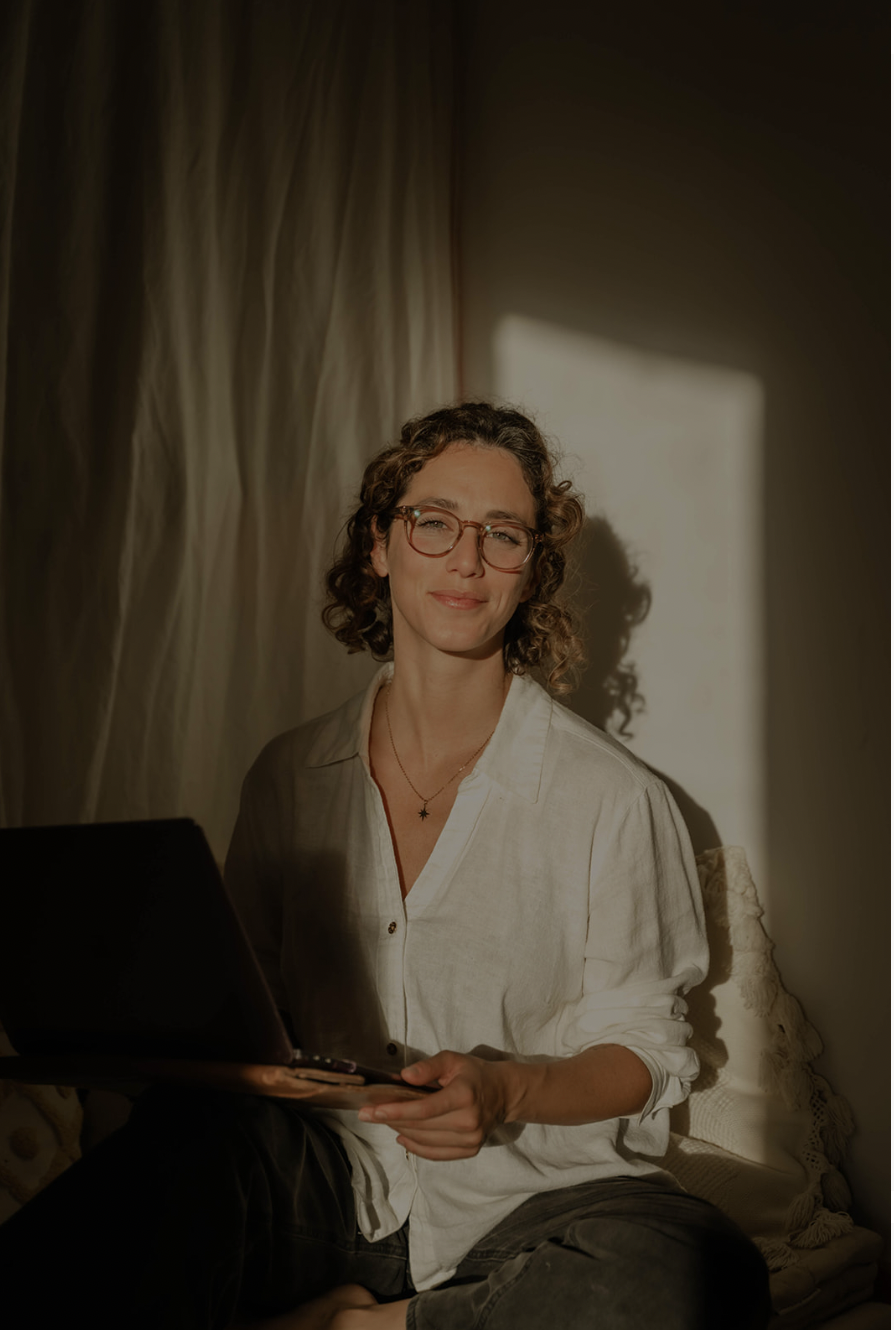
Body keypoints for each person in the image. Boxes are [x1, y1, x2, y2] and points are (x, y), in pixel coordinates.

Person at [0, 402, 770, 1329]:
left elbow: (647, 1053)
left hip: (532, 1198)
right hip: (324, 1178)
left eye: (503, 535)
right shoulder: (288, 775)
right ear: (380, 544)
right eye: (434, 522)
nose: (466, 559)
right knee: (142, 1188)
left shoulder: (616, 798)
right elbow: (251, 1005)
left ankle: (363, 1326)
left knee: (699, 1272)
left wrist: (504, 1090)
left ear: (531, 572)